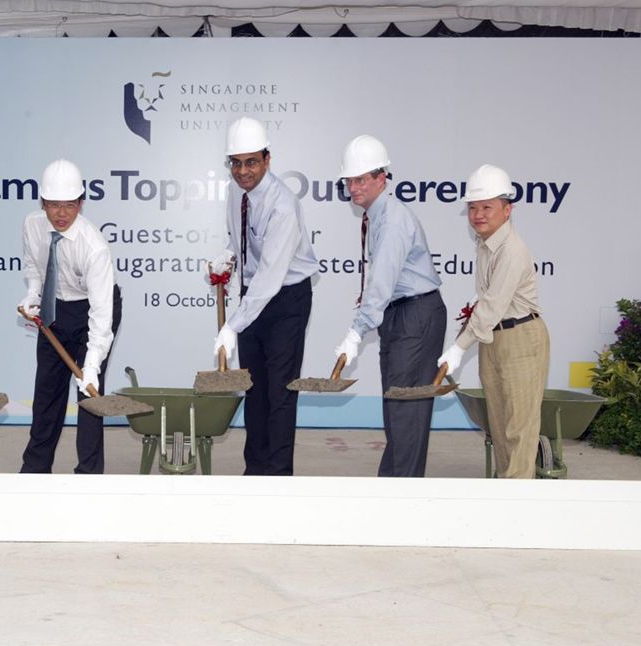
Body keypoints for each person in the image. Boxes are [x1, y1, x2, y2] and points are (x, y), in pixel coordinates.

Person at [208, 117, 317, 476]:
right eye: (235, 163)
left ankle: (278, 476)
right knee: (254, 388)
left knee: (280, 392)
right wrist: (228, 256)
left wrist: (232, 327)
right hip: (253, 295)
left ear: (268, 160)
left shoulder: (282, 204)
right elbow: (244, 245)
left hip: (286, 300)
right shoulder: (236, 192)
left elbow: (271, 276)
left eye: (251, 162)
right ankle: (254, 471)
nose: (243, 171)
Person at [334, 135, 446, 478]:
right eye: (349, 181)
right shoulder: (378, 215)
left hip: (415, 315)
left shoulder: (393, 220)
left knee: (406, 410)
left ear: (382, 178)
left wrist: (356, 332)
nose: (353, 188)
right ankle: (392, 487)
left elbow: (381, 284)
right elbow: (386, 284)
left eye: (361, 180)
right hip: (400, 314)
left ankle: (403, 497)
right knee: (398, 408)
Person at [438, 164, 550, 478]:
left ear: (507, 209)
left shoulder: (512, 250)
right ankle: (505, 494)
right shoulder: (486, 245)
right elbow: (485, 301)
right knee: (499, 428)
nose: (478, 214)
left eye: (487, 207)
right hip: (494, 338)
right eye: (473, 207)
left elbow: (493, 304)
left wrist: (458, 348)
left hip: (522, 339)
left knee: (519, 429)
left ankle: (518, 504)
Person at [18, 159, 120, 474]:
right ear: (42, 203)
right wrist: (34, 294)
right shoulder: (32, 225)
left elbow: (102, 317)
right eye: (54, 205)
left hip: (92, 309)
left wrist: (91, 366)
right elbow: (34, 266)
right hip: (54, 309)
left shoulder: (94, 248)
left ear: (81, 203)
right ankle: (34, 470)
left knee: (88, 395)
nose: (62, 214)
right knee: (46, 392)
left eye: (70, 205)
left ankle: (89, 475)